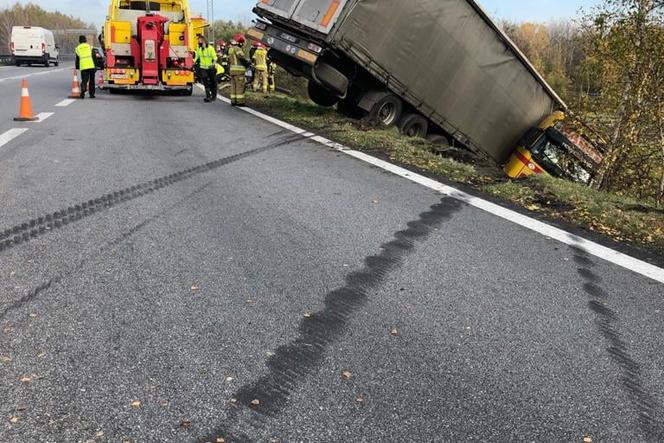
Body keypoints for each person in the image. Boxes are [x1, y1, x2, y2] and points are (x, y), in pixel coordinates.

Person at [194, 35, 218, 102]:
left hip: (211, 68)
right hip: (203, 68)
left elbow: (215, 58)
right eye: (198, 41)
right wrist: (193, 62)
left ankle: (213, 96)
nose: (199, 42)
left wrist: (213, 65)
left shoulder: (210, 48)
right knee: (205, 80)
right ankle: (208, 96)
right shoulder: (199, 48)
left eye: (200, 41)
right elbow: (197, 57)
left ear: (204, 41)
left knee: (213, 81)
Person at [228, 34, 249, 106]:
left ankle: (233, 101)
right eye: (242, 43)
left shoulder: (231, 49)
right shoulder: (237, 49)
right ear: (240, 42)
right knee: (240, 86)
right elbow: (241, 58)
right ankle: (240, 102)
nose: (243, 45)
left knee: (233, 86)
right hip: (239, 71)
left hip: (232, 71)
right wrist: (247, 64)